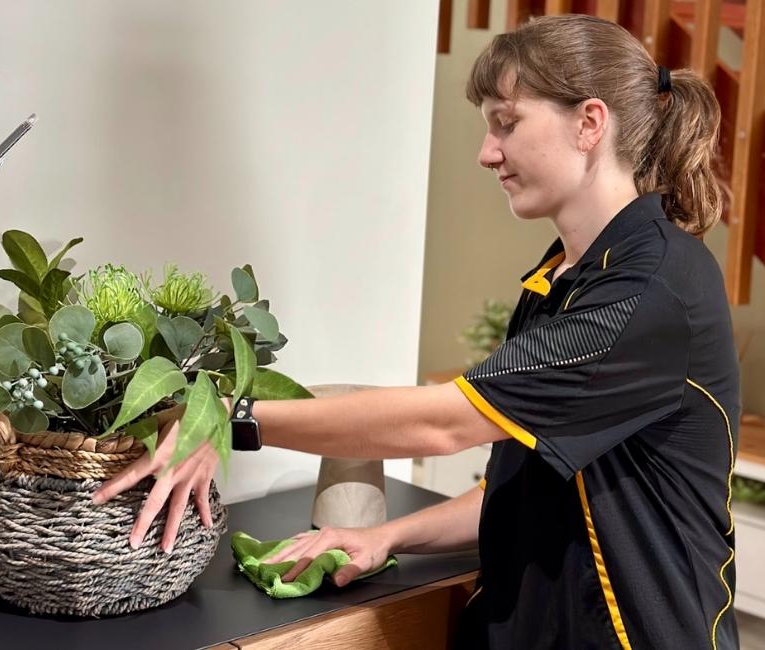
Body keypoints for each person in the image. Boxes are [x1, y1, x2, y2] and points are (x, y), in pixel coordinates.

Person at [92, 14, 740, 649]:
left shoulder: (651, 290)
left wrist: (229, 418)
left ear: (589, 123)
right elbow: (513, 482)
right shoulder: (561, 276)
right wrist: (386, 538)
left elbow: (443, 422)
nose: (487, 154)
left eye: (505, 124)